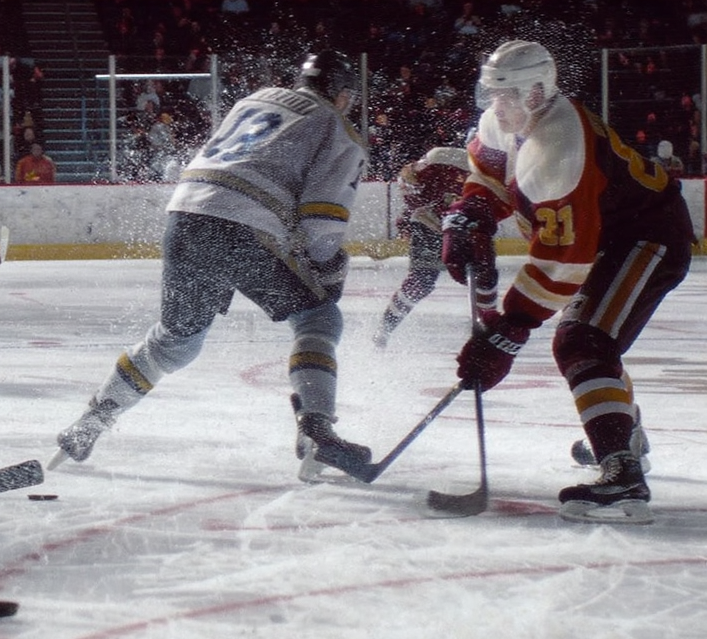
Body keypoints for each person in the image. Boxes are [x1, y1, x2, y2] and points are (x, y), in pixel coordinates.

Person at [53, 51, 372, 483]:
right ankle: (317, 428)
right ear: (340, 94)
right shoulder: (337, 127)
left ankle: (91, 421)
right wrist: (329, 270)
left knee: (176, 341)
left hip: (186, 216)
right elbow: (321, 221)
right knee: (317, 315)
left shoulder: (257, 98)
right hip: (245, 225)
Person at [440, 40, 693, 524]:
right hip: (604, 237)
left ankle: (623, 477)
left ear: (538, 92)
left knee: (584, 338)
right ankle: (625, 434)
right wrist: (471, 212)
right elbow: (490, 174)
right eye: (494, 94)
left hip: (646, 233)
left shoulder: (559, 142)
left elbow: (564, 259)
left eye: (509, 95)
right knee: (588, 339)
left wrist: (509, 329)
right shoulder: (507, 119)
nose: (499, 106)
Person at [371, 145, 496, 348]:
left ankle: (488, 331)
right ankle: (385, 328)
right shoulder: (442, 158)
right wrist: (425, 206)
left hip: (468, 225)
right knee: (421, 280)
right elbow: (406, 178)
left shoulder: (500, 172)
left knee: (484, 277)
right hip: (429, 222)